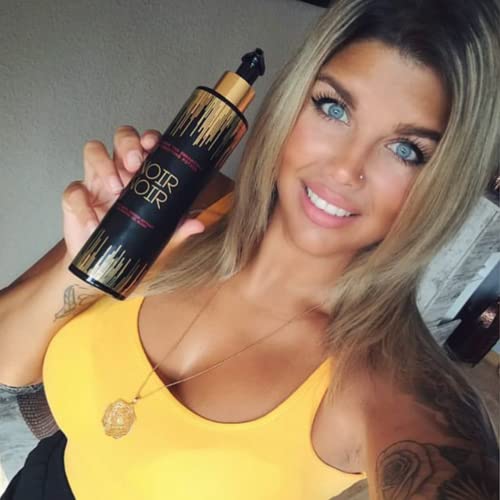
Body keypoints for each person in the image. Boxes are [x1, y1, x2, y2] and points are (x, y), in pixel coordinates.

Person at [1, 0, 499, 498]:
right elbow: (9, 360)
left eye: (406, 150)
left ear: (445, 183)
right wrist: (88, 263)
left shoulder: (389, 380)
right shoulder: (183, 198)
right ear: (292, 101)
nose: (345, 169)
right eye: (334, 108)